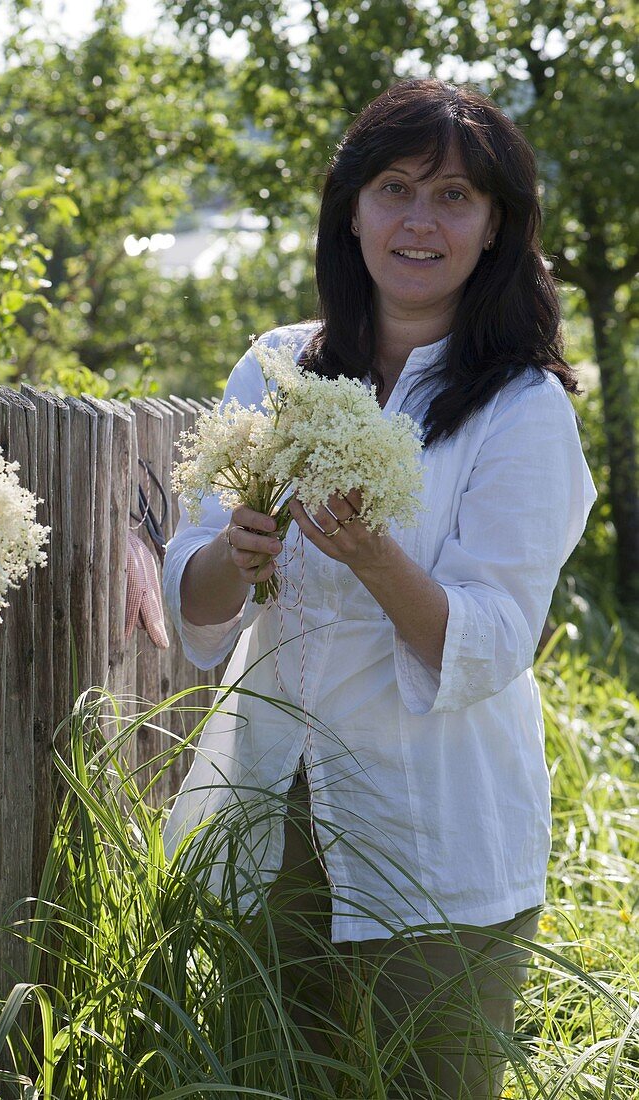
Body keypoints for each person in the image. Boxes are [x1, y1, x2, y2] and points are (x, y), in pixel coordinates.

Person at [162, 78, 598, 1098]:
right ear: (350, 208)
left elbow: (494, 640)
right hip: (269, 820)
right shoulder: (275, 366)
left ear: (495, 228)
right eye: (395, 186)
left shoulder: (522, 407)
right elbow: (196, 584)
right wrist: (246, 547)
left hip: (435, 837)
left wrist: (373, 552)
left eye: (455, 196)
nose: (418, 219)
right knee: (264, 1077)